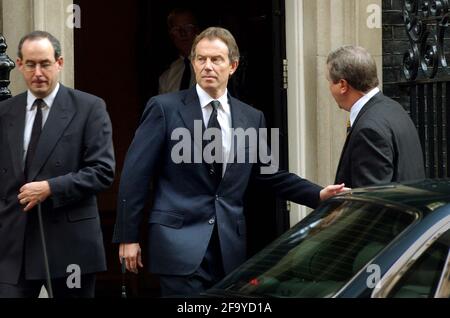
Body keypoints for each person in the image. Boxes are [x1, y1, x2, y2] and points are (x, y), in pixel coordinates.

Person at [113, 27, 346, 297]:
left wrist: (317, 193)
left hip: (228, 247)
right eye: (201, 59)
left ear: (233, 65)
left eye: (216, 60)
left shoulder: (251, 117)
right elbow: (135, 175)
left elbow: (269, 174)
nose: (207, 66)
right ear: (193, 63)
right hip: (177, 243)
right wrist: (128, 237)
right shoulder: (164, 109)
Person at [0, 31, 115, 298]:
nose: (38, 72)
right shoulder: (6, 112)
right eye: (30, 64)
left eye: (45, 64)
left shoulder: (89, 108)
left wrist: (51, 188)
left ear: (60, 63)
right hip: (13, 246)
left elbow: (103, 171)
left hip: (69, 244)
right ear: (19, 65)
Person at [326, 45, 425, 188]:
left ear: (342, 85)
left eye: (329, 81)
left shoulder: (368, 130)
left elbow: (372, 200)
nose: (329, 87)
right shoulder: (394, 108)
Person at [158, 8, 200, 94]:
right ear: (171, 35)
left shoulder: (214, 67)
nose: (182, 33)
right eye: (176, 29)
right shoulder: (167, 77)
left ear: (197, 30)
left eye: (188, 27)